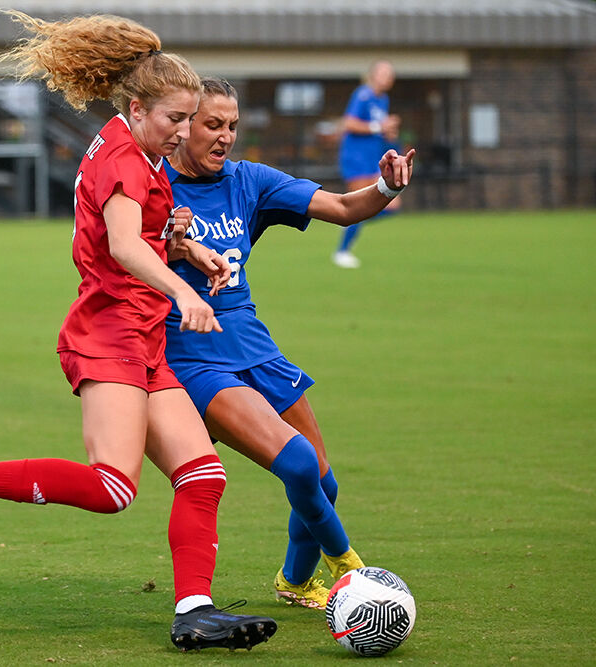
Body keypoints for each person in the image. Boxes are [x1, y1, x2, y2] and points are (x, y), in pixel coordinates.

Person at [0, 13, 277, 652]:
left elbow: (138, 234)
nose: (184, 131)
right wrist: (181, 289)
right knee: (113, 488)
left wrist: (184, 250)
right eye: (175, 119)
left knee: (202, 473)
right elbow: (122, 246)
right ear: (137, 106)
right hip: (111, 333)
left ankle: (194, 612)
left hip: (142, 333)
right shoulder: (126, 157)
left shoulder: (133, 146)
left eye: (190, 119)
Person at [164, 78, 414, 609]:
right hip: (193, 355)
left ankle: (295, 582)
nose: (225, 137)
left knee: (325, 485)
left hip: (257, 347)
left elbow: (344, 207)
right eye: (213, 125)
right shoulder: (150, 185)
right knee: (299, 465)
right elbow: (112, 254)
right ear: (183, 125)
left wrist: (387, 187)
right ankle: (354, 572)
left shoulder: (249, 180)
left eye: (232, 126)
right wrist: (171, 243)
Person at [333, 60, 402, 269]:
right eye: (383, 72)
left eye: (390, 74)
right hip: (356, 159)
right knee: (360, 204)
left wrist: (388, 133)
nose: (387, 77)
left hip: (373, 159)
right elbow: (350, 123)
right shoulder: (363, 95)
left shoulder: (383, 100)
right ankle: (342, 251)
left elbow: (378, 131)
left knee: (392, 205)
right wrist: (379, 126)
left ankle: (350, 222)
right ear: (373, 75)